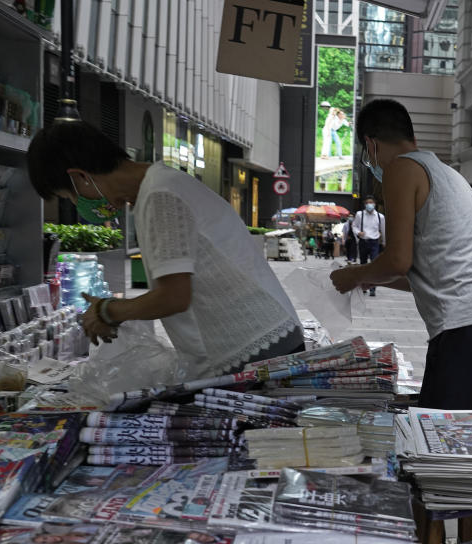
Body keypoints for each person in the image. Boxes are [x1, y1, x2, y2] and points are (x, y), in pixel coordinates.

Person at [27, 121, 304, 379]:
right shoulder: (161, 186)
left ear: (81, 177)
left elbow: (174, 297)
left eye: (70, 197)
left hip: (256, 351)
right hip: (260, 343)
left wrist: (108, 311)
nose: (78, 205)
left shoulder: (160, 196)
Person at [331, 99, 472, 411]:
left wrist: (354, 274)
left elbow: (398, 260)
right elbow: (425, 272)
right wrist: (367, 280)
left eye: (366, 157)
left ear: (371, 144)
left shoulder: (401, 169)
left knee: (438, 437)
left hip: (463, 327)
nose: (370, 164)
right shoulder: (447, 173)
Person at [352, 196, 386, 296]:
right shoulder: (360, 214)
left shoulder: (380, 217)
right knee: (363, 265)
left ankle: (372, 288)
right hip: (363, 241)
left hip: (374, 242)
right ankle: (363, 286)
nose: (369, 205)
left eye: (371, 203)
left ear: (375, 204)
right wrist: (358, 233)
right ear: (365, 204)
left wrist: (384, 242)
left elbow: (383, 230)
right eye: (367, 203)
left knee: (374, 265)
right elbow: (354, 226)